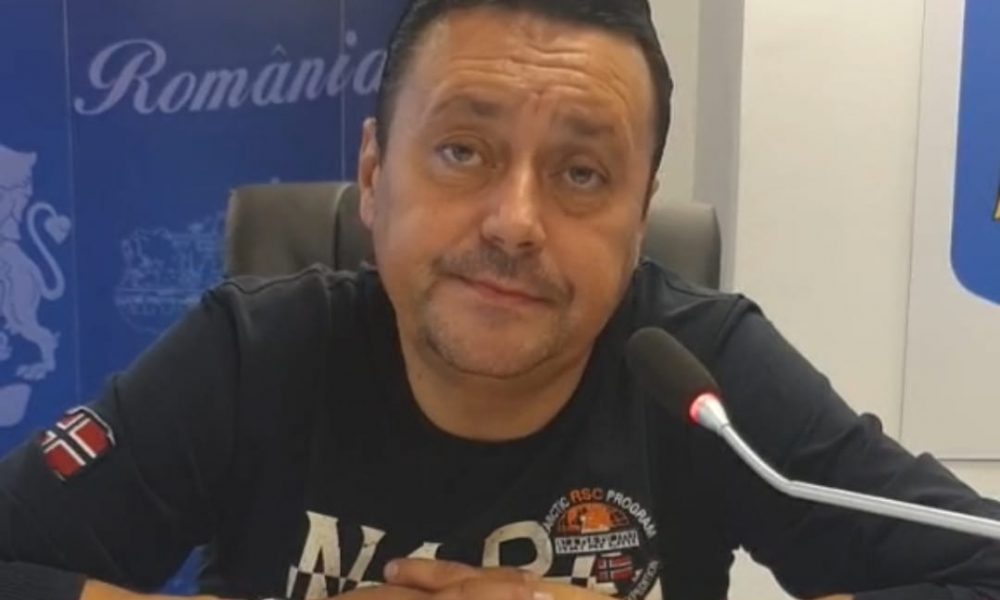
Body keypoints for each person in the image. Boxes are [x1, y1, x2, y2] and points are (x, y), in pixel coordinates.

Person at [1, 1, 999, 599]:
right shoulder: (253, 353)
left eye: (581, 174)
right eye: (461, 150)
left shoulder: (703, 376)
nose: (515, 222)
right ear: (374, 174)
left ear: (639, 218)